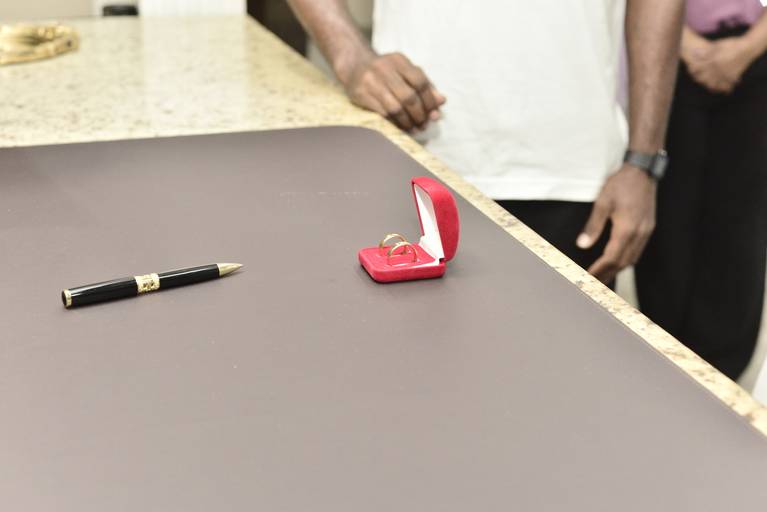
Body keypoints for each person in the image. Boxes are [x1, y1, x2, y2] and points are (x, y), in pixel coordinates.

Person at [287, 0, 684, 285]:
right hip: (412, 155)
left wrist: (643, 160)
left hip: (573, 174)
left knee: (565, 372)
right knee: (407, 366)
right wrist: (350, 57)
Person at [636, 1, 767, 380]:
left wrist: (744, 50)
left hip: (754, 57)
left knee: (739, 223)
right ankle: (661, 363)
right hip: (662, 54)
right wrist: (685, 45)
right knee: (666, 217)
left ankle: (721, 378)